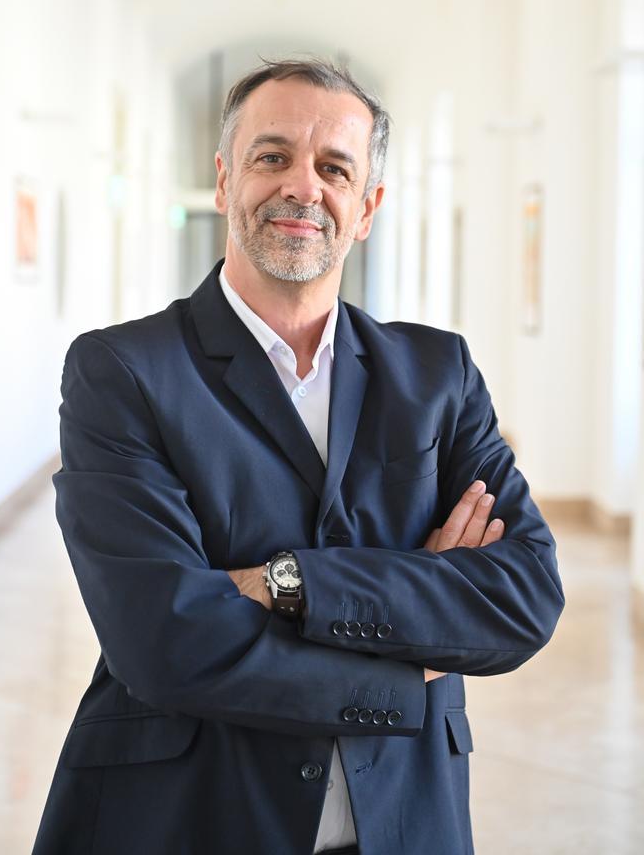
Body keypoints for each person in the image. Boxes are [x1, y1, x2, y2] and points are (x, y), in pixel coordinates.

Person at [32, 58, 564, 855]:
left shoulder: (436, 374)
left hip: (405, 821)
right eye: (272, 156)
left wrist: (290, 583)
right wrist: (409, 635)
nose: (301, 187)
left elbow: (522, 596)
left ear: (367, 207)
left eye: (334, 168)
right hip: (190, 818)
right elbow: (161, 639)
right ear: (225, 181)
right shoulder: (123, 371)